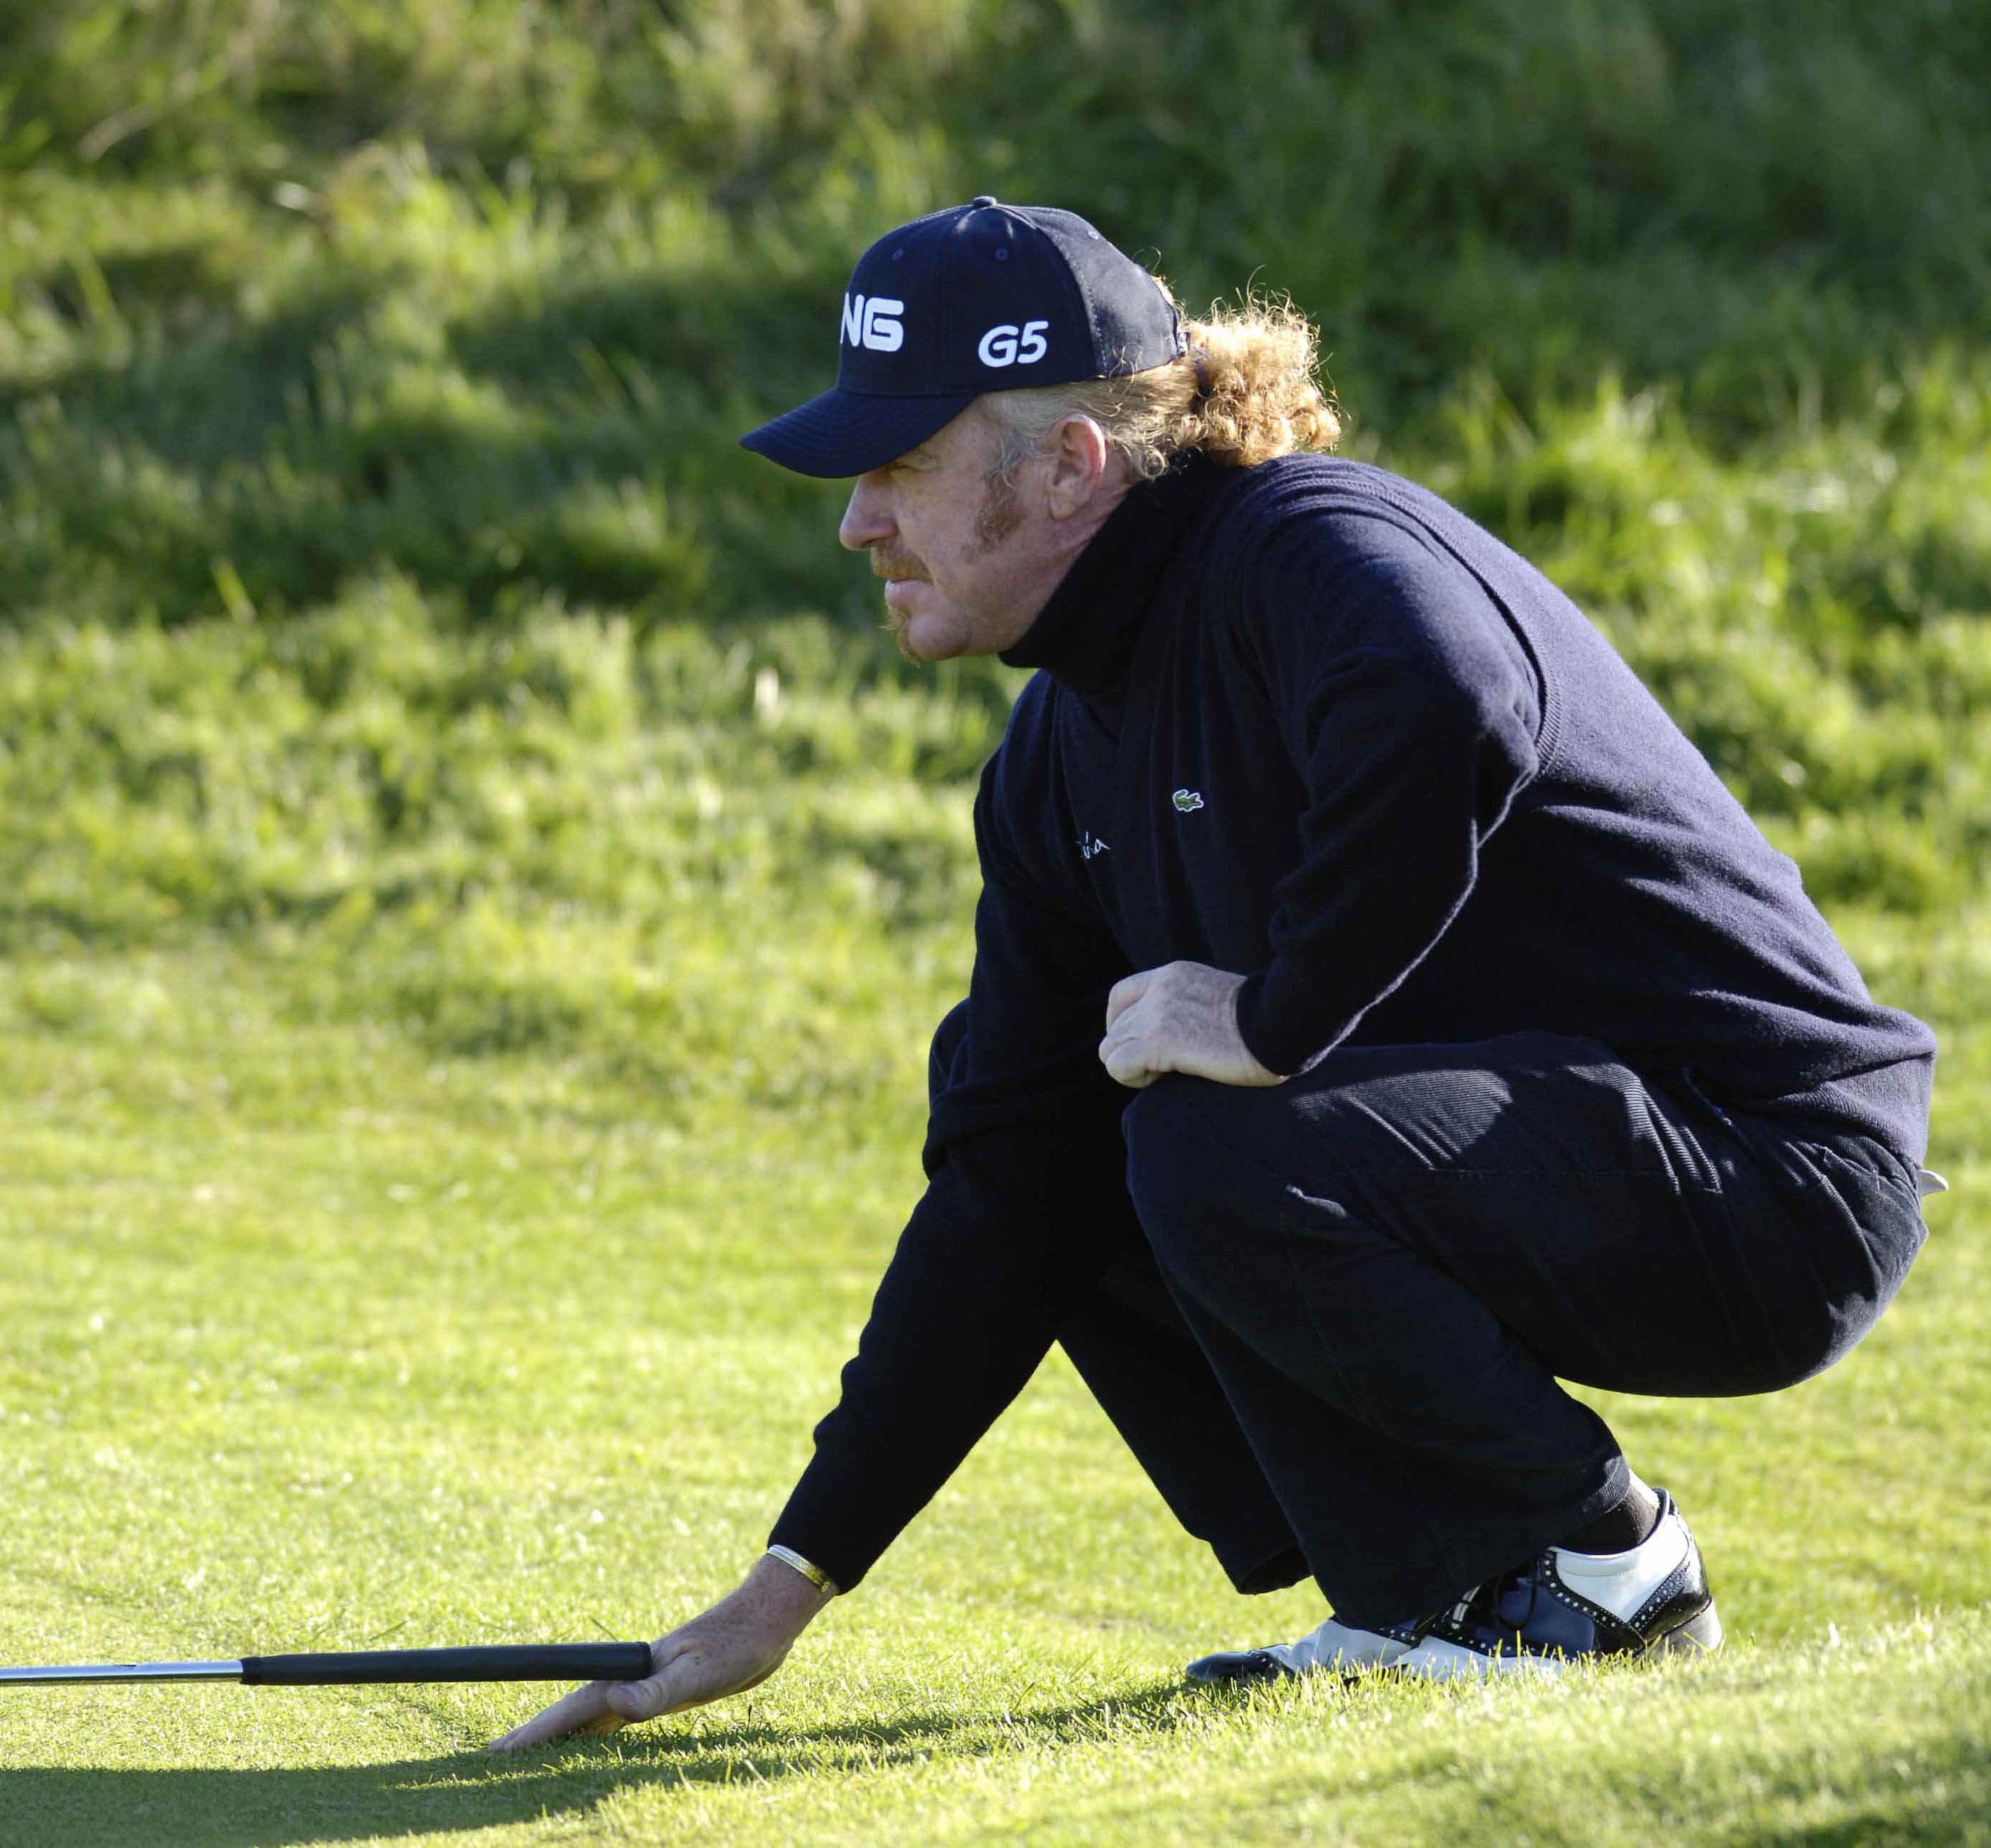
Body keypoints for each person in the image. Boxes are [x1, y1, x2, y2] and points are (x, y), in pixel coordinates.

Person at [490, 198, 1945, 1749]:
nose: (857, 523)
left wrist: (1272, 1014)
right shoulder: (1056, 758)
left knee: (1200, 1132)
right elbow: (1006, 1192)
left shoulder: (1305, 548)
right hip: (1578, 1162)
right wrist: (786, 1586)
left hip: (1770, 1170)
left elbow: (1448, 693)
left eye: (900, 465)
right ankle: (1436, 1594)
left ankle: (1603, 1571)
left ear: (1070, 465)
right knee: (1076, 1144)